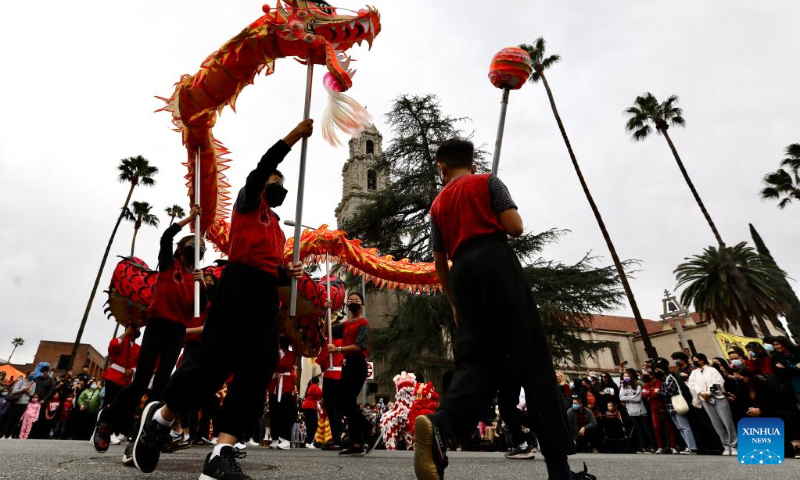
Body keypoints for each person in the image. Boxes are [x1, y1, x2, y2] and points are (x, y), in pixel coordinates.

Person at [125, 120, 311, 479]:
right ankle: (161, 418)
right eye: (275, 181)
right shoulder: (247, 203)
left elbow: (270, 267)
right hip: (236, 287)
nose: (279, 187)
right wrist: (292, 136)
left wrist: (289, 273)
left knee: (257, 371)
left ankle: (221, 452)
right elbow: (263, 167)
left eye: (282, 185)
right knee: (212, 369)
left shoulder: (277, 226)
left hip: (263, 296)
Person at [415, 139, 579, 480]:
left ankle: (441, 423)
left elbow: (438, 261)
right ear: (471, 163)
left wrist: (454, 303)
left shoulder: (437, 205)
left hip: (461, 274)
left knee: (476, 361)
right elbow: (515, 227)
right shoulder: (487, 181)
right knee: (532, 360)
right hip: (495, 261)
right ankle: (559, 468)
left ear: (441, 168)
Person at [94, 205, 207, 452]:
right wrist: (190, 218)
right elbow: (165, 237)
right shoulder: (168, 264)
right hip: (157, 326)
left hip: (177, 332)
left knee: (161, 387)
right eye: (193, 245)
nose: (197, 249)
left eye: (201, 249)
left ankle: (143, 439)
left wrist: (203, 286)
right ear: (181, 249)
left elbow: (200, 311)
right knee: (140, 383)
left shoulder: (195, 279)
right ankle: (107, 418)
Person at [331, 292, 380, 456]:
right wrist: (327, 311)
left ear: (362, 304)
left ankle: (371, 429)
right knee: (347, 403)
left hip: (358, 364)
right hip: (347, 365)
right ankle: (357, 443)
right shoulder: (344, 325)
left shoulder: (363, 323)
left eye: (356, 300)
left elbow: (360, 346)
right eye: (350, 300)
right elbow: (327, 332)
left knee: (346, 402)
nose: (353, 302)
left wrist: (338, 349)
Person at [687, 353, 737, 456]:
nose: (694, 362)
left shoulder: (712, 370)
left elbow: (718, 382)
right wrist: (701, 392)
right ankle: (726, 445)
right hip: (705, 400)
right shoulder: (694, 373)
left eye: (696, 360)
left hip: (718, 397)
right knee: (716, 423)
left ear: (701, 360)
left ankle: (734, 445)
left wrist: (709, 392)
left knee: (727, 421)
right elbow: (692, 384)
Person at [102, 323, 141, 445]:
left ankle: (114, 432)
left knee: (121, 408)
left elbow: (139, 363)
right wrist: (125, 334)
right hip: (113, 377)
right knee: (108, 405)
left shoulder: (138, 348)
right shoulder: (120, 341)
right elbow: (112, 347)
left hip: (126, 381)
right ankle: (101, 431)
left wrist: (133, 370)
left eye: (135, 331)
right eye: (132, 330)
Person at [654, 358, 697, 454]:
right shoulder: (664, 379)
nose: (657, 372)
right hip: (670, 405)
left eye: (658, 369)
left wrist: (659, 392)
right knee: (679, 427)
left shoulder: (670, 377)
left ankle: (692, 447)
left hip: (676, 403)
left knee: (684, 426)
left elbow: (670, 391)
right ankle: (687, 446)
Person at [316, 319, 344, 449]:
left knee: (331, 409)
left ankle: (336, 439)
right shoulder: (345, 343)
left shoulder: (331, 342)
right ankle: (338, 438)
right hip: (341, 376)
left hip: (330, 375)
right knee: (338, 409)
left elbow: (322, 359)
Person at [268, 336, 298, 450]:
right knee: (274, 412)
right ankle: (275, 437)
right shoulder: (273, 353)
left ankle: (285, 438)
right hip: (274, 385)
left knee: (285, 413)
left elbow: (285, 365)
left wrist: (280, 351)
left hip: (285, 386)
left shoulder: (291, 353)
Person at [641, 365, 679, 454]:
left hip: (662, 407)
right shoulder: (646, 384)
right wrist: (651, 392)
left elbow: (657, 394)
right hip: (653, 408)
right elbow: (643, 395)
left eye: (646, 374)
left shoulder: (658, 382)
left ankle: (673, 446)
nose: (644, 376)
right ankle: (660, 447)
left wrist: (649, 393)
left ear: (652, 375)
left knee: (668, 427)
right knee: (656, 428)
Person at [618, 369, 655, 453]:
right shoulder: (623, 387)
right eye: (624, 376)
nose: (626, 378)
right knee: (639, 429)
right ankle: (643, 446)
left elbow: (638, 398)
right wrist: (632, 397)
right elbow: (621, 398)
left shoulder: (637, 386)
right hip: (631, 411)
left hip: (641, 411)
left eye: (627, 376)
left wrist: (628, 398)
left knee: (647, 429)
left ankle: (652, 446)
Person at [3, 371, 36, 438]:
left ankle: (11, 435)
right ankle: (4, 434)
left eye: (34, 374)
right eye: (31, 374)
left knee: (17, 419)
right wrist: (24, 389)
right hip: (15, 402)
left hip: (24, 403)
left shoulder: (33, 384)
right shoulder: (21, 381)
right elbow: (14, 390)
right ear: (27, 375)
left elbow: (32, 394)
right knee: (10, 418)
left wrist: (27, 392)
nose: (33, 375)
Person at [302, 377, 322, 448]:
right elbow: (319, 397)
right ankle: (309, 441)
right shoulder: (317, 388)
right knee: (314, 425)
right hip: (312, 406)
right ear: (318, 382)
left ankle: (307, 441)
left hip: (305, 405)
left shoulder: (309, 387)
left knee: (308, 424)